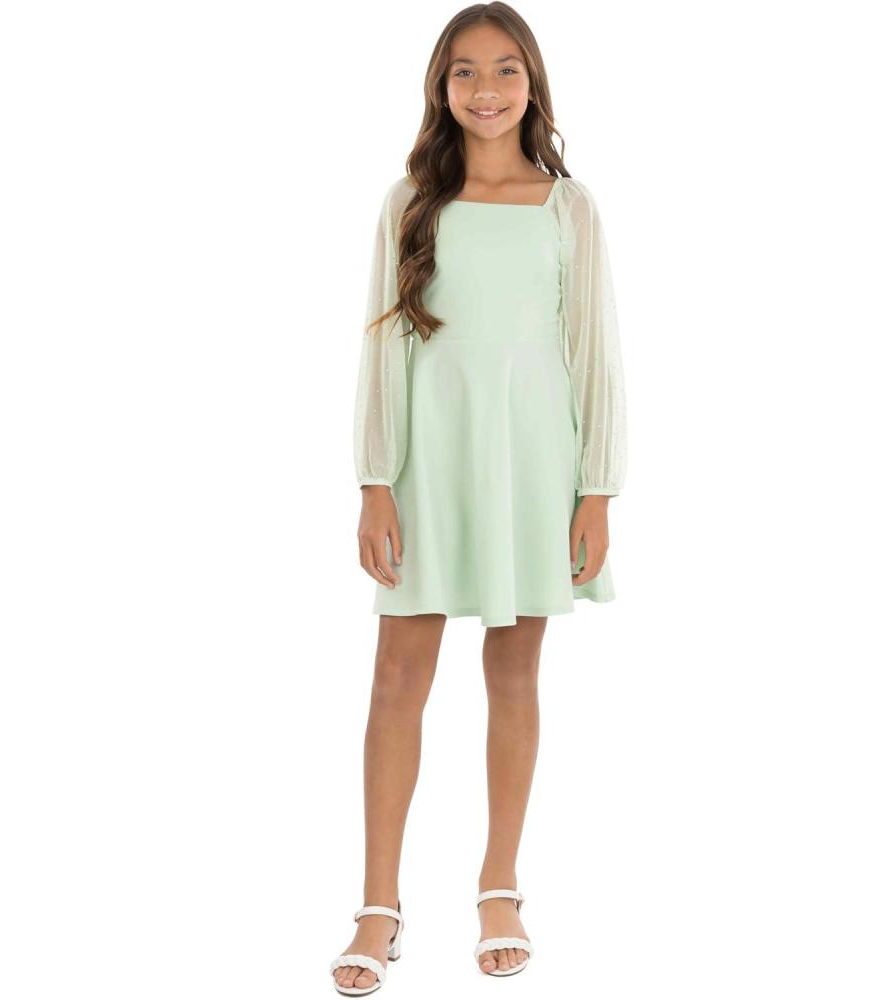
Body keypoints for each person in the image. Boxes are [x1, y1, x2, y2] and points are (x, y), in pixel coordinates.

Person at [331, 4, 628, 994]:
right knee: (396, 676)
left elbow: (594, 350)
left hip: (535, 460)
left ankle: (500, 885)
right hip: (431, 457)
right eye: (465, 71)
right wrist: (375, 479)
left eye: (506, 69)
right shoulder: (411, 201)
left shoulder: (568, 207)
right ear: (440, 87)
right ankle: (378, 902)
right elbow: (382, 345)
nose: (487, 88)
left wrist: (597, 490)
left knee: (513, 673)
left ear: (532, 84)